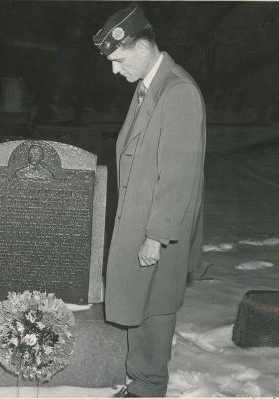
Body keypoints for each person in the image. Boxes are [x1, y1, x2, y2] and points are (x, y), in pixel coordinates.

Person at [93, 3, 206, 398]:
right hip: (141, 220)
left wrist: (155, 237)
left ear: (142, 47)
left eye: (118, 59)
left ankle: (148, 387)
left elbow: (178, 177)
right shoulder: (149, 86)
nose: (114, 70)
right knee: (141, 305)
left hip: (158, 229)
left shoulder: (178, 92)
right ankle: (141, 383)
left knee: (155, 311)